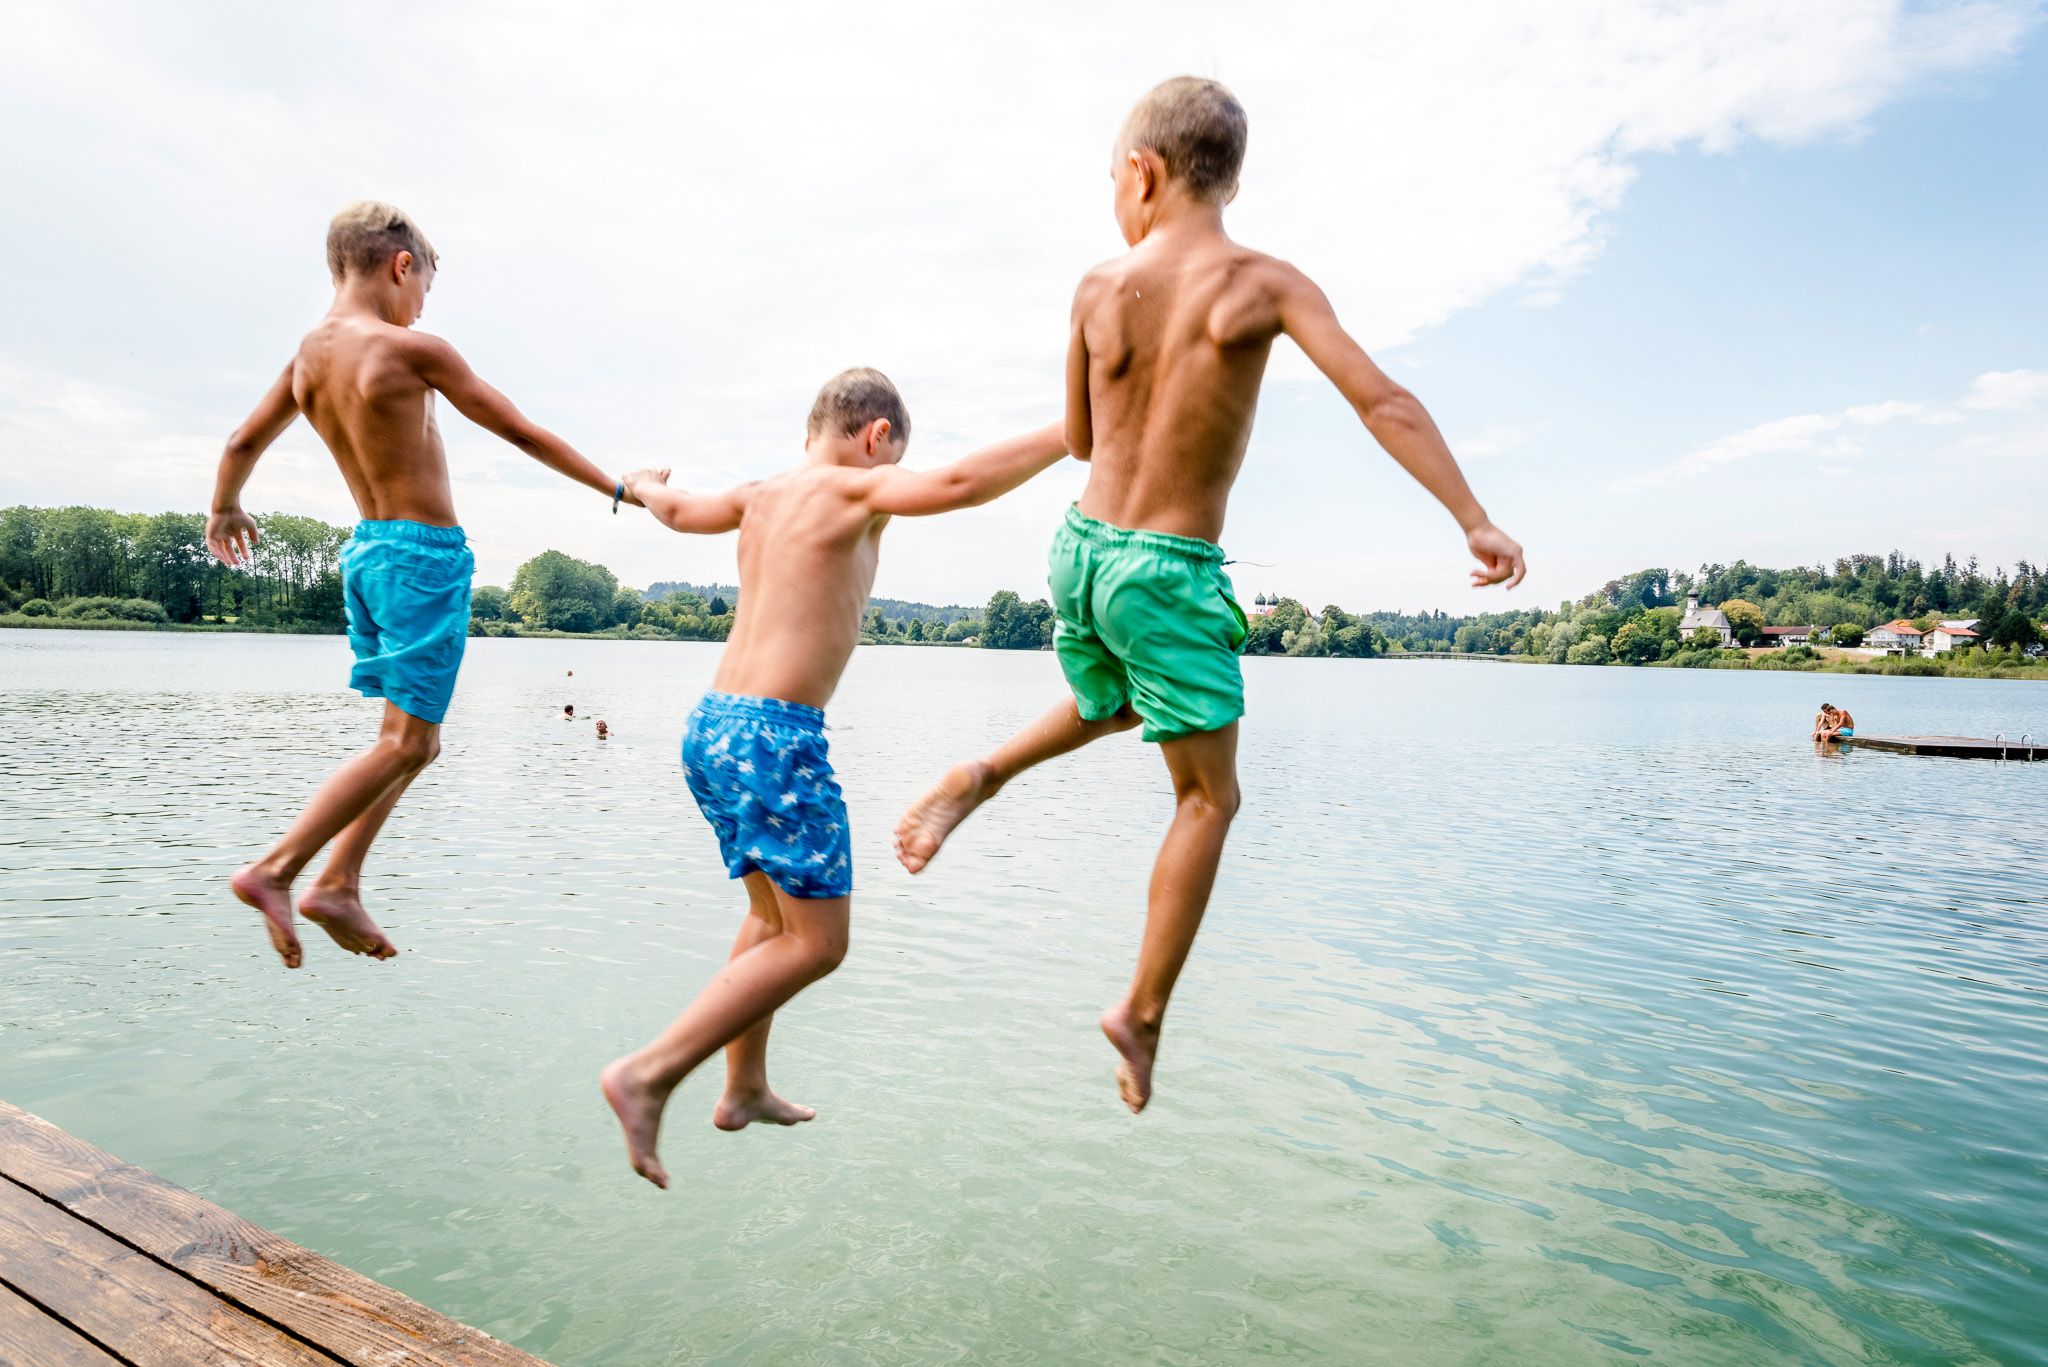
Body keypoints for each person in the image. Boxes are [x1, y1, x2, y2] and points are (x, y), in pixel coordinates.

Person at [893, 78, 1527, 1115]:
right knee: (1206, 795)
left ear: (1140, 172)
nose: (1112, 198)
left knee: (1114, 700)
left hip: (1079, 550)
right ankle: (1140, 1010)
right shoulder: (1264, 285)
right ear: (1225, 175)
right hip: (1168, 569)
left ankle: (982, 770)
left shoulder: (1095, 286)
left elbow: (1086, 440)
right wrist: (1472, 516)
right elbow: (1382, 399)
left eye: (1111, 180)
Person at [599, 368, 1066, 1188]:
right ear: (876, 437)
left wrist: (636, 486)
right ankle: (650, 1072)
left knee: (773, 921)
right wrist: (1074, 430)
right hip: (777, 736)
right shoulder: (854, 493)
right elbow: (960, 483)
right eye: (893, 460)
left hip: (710, 729)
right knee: (821, 944)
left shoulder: (756, 495)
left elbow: (675, 510)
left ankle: (743, 1085)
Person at [207, 201, 633, 969]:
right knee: (408, 741)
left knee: (412, 743)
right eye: (424, 289)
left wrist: (225, 505)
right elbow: (522, 430)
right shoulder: (413, 351)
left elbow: (242, 440)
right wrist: (616, 487)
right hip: (422, 556)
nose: (422, 308)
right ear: (402, 265)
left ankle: (338, 876)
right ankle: (278, 869)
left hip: (365, 554)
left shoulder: (308, 357)